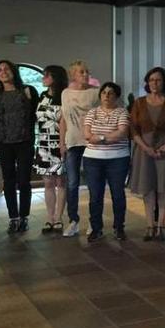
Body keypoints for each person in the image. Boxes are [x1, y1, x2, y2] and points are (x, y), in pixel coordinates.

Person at [129, 67, 165, 241]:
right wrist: (145, 148)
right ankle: (149, 225)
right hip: (144, 150)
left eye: (158, 80)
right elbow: (133, 130)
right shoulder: (139, 103)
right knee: (148, 188)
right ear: (147, 82)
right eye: (151, 80)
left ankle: (160, 224)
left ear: (164, 82)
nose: (154, 83)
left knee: (163, 187)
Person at [0, 60, 39, 234]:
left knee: (24, 181)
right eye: (0, 70)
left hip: (24, 141)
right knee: (9, 181)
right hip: (3, 142)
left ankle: (24, 217)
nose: (3, 72)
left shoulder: (28, 90)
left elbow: (35, 116)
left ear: (14, 71)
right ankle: (13, 218)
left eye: (6, 69)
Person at [82, 82, 131, 242]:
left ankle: (119, 227)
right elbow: (88, 135)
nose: (106, 96)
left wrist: (100, 138)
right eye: (104, 92)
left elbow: (122, 133)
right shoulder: (92, 112)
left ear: (117, 96)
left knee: (118, 194)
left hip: (118, 159)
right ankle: (96, 228)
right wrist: (108, 136)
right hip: (93, 159)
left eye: (110, 93)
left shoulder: (122, 112)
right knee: (95, 195)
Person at [59, 60, 99, 237]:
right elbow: (64, 119)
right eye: (81, 72)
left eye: (87, 71)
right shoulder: (66, 93)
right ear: (73, 75)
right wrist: (62, 142)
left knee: (93, 184)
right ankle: (73, 220)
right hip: (73, 142)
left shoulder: (95, 93)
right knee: (72, 183)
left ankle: (94, 221)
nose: (85, 74)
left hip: (91, 143)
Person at [35, 65, 68, 234]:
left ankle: (59, 217)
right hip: (43, 143)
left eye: (46, 75)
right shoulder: (42, 96)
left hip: (60, 142)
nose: (43, 78)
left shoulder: (65, 96)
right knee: (48, 182)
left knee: (61, 181)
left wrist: (64, 143)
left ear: (55, 77)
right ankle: (49, 217)